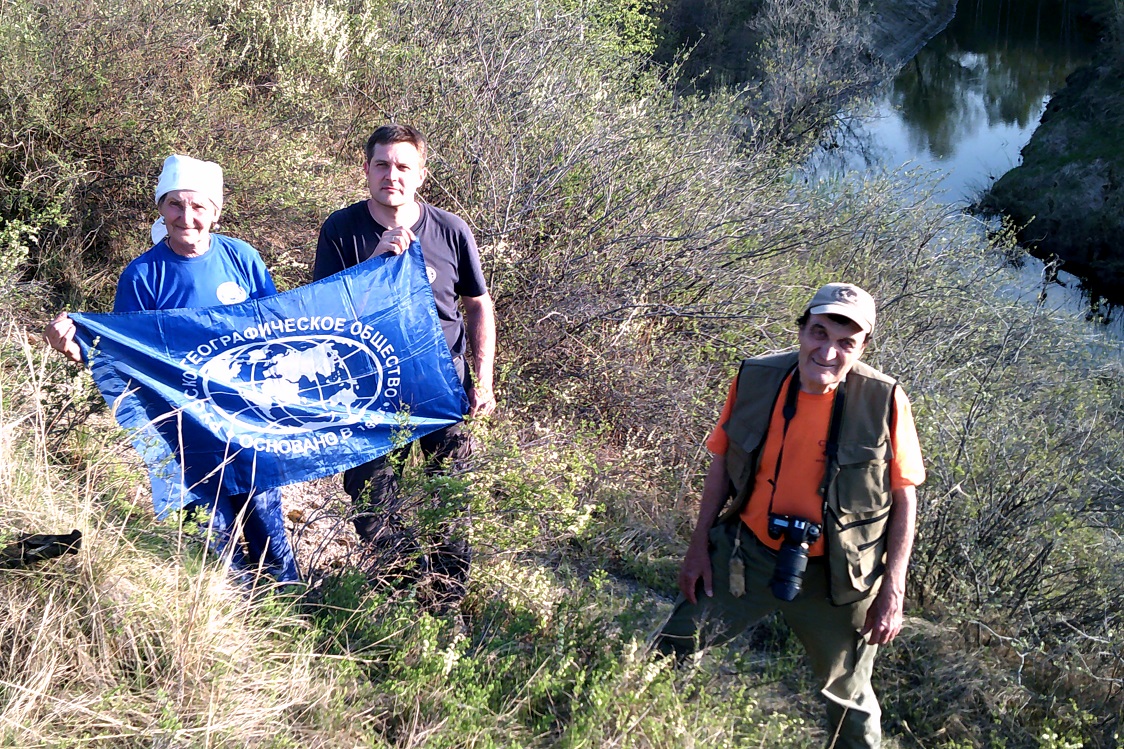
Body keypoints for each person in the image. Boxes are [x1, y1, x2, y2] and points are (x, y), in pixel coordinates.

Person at [656, 283, 924, 749]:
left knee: (850, 700)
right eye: (818, 333)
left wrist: (893, 590)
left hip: (837, 577)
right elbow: (721, 461)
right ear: (801, 331)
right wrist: (698, 545)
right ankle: (646, 725)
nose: (828, 351)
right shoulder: (757, 377)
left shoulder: (884, 399)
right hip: (748, 553)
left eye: (846, 342)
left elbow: (904, 498)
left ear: (861, 348)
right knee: (673, 644)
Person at [44, 154, 300, 585]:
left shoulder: (242, 259)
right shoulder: (143, 275)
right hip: (184, 432)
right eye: (176, 205)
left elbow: (273, 332)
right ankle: (228, 623)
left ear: (215, 212)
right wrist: (75, 346)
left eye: (198, 206)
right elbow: (124, 354)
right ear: (161, 209)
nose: (187, 217)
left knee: (265, 522)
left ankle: (290, 607)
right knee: (209, 543)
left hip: (245, 423)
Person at [313, 123, 496, 602]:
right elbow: (324, 314)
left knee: (451, 503)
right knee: (373, 503)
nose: (390, 175)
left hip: (442, 389)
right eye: (381, 165)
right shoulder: (340, 229)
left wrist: (484, 381)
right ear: (367, 170)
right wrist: (375, 261)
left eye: (402, 166)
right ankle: (405, 591)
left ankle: (446, 606)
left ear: (420, 175)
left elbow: (478, 305)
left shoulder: (451, 230)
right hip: (369, 391)